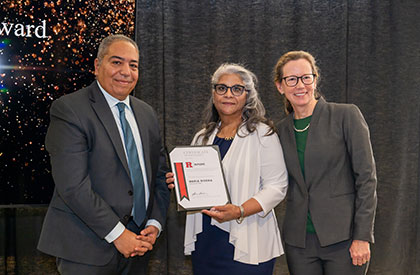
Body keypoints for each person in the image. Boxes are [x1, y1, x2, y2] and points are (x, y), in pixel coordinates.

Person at [37, 34, 170, 274]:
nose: (126, 72)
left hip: (140, 245)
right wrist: (119, 234)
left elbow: (160, 176)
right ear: (97, 66)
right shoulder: (70, 109)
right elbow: (72, 185)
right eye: (116, 62)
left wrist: (155, 223)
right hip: (87, 248)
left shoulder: (146, 113)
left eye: (133, 65)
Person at [166, 63, 288, 274]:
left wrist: (239, 210)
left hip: (248, 240)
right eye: (222, 88)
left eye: (237, 89)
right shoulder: (202, 136)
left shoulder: (263, 134)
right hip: (206, 241)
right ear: (214, 94)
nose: (228, 94)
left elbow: (277, 187)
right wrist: (181, 183)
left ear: (248, 95)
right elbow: (195, 187)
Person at [273, 50, 377, 275]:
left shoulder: (346, 116)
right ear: (280, 86)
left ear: (315, 79)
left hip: (344, 239)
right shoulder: (279, 131)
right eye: (291, 79)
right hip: (298, 243)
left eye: (306, 77)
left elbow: (367, 180)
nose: (300, 85)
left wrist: (362, 236)